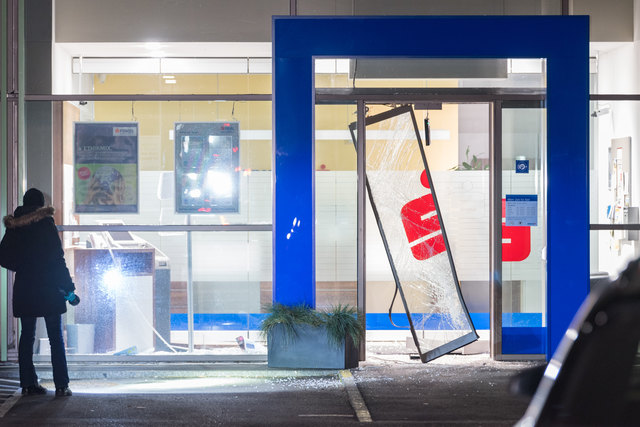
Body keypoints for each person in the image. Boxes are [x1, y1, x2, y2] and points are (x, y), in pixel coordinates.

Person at [0, 188, 79, 397]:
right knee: (55, 337)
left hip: (25, 286)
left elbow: (3, 257)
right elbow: (57, 258)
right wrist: (68, 287)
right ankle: (61, 385)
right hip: (49, 287)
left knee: (27, 336)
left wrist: (23, 265)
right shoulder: (46, 224)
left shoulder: (15, 226)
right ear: (41, 205)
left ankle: (28, 384)